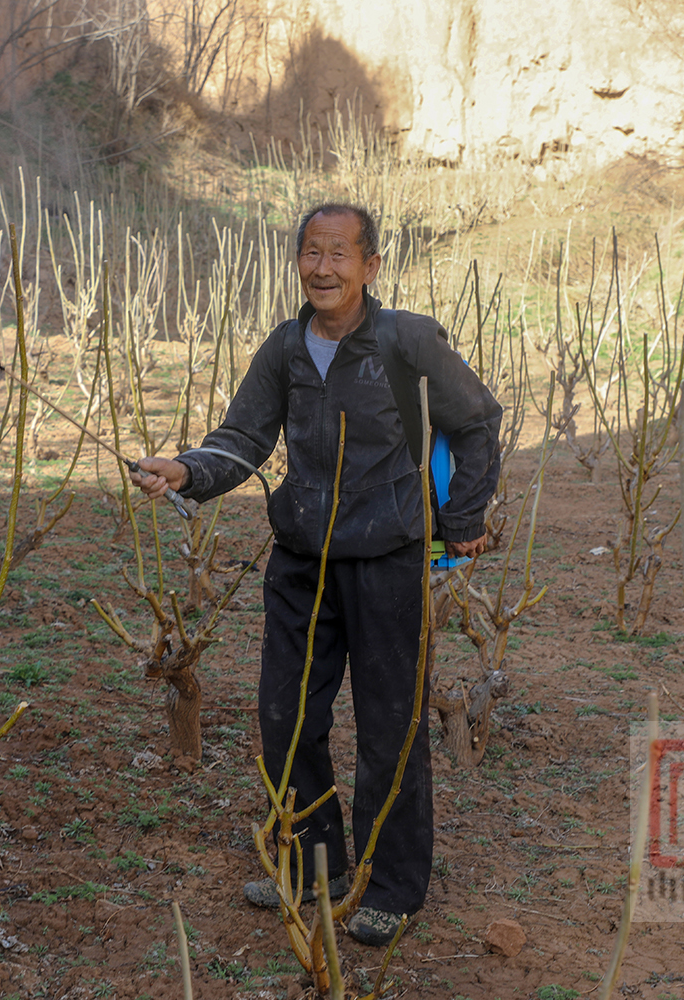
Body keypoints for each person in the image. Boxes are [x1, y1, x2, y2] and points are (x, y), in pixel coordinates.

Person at [132, 203, 501, 945]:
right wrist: (187, 471)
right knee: (286, 716)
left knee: (391, 727)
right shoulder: (284, 347)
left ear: (370, 265)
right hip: (302, 561)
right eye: (310, 253)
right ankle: (314, 864)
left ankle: (390, 888)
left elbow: (477, 421)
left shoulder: (408, 340)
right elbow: (241, 438)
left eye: (339, 254)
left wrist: (461, 518)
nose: (322, 268)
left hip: (388, 561)